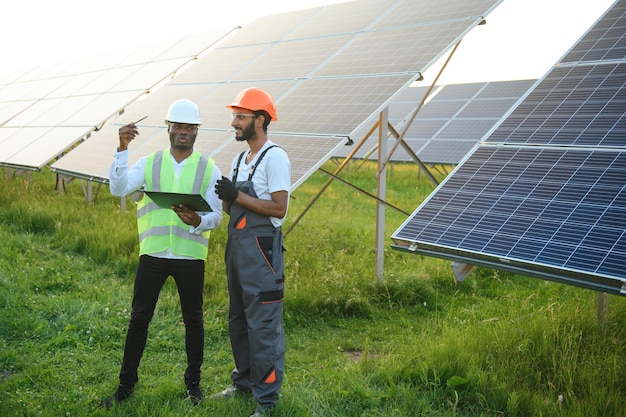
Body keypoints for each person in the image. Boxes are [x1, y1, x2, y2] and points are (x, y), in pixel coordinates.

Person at [102, 99, 222, 408]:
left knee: (194, 321)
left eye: (189, 128)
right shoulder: (149, 163)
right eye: (178, 126)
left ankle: (193, 384)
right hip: (153, 255)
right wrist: (122, 148)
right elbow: (118, 188)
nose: (183, 132)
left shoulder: (210, 169)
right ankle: (125, 386)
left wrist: (199, 221)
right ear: (168, 128)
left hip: (190, 257)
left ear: (196, 131)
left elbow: (217, 216)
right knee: (139, 319)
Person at [213, 88, 291, 417]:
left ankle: (267, 401)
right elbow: (234, 211)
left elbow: (279, 208)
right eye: (234, 116)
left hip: (262, 254)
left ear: (259, 120)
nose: (234, 122)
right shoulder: (237, 160)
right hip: (238, 250)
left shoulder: (275, 157)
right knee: (239, 320)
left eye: (240, 117)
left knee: (262, 326)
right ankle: (243, 383)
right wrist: (225, 198)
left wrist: (238, 197)